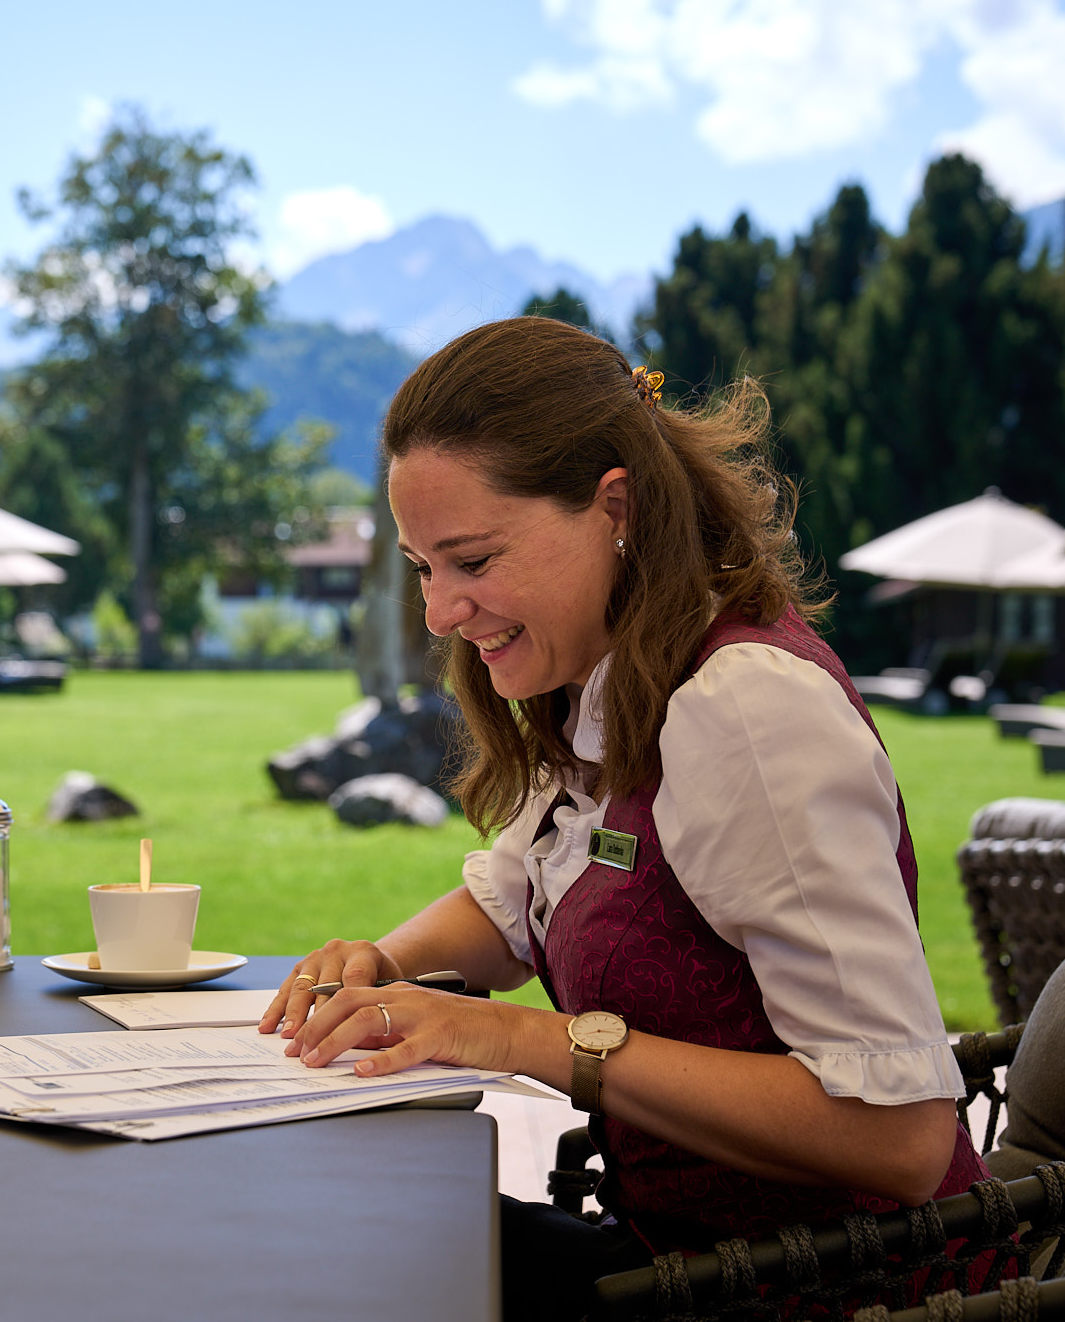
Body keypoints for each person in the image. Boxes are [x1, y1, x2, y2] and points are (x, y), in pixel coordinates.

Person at [257, 316, 989, 1320]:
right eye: (422, 567)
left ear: (616, 508)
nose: (438, 614)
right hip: (673, 1255)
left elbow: (897, 1139)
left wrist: (520, 1038)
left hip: (831, 1291)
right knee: (334, 1225)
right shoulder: (602, 679)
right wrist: (377, 970)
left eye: (470, 560)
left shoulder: (744, 710)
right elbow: (517, 897)